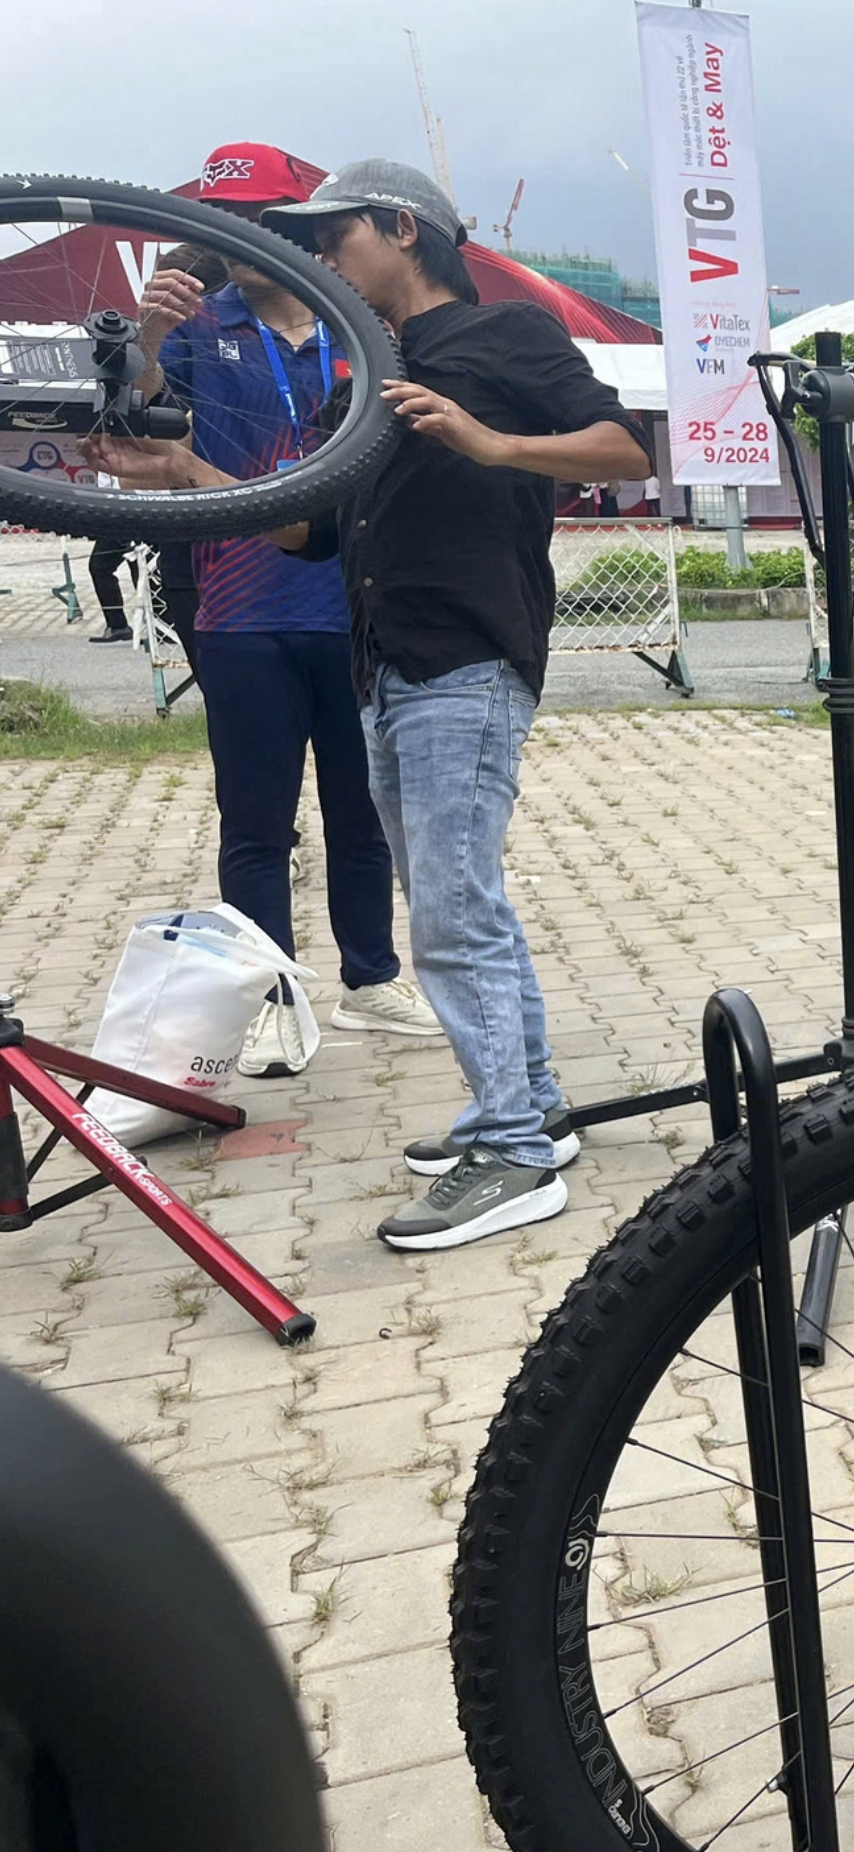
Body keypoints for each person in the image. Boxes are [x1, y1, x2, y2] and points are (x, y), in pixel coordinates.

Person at [102, 159, 655, 1250]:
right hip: (383, 665)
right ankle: (530, 1105)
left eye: (333, 232)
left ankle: (512, 1153)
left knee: (449, 911)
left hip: (467, 654)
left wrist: (491, 443)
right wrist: (179, 475)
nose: (313, 251)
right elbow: (306, 526)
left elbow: (627, 452)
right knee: (454, 897)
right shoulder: (366, 370)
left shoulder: (506, 341)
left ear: (401, 228)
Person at [124, 145, 440, 1079]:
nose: (248, 236)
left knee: (363, 809)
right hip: (236, 606)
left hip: (353, 602)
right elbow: (149, 419)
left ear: (303, 224)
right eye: (227, 219)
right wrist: (142, 345)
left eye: (269, 216)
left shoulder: (363, 324)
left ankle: (373, 977)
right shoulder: (196, 323)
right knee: (257, 819)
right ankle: (267, 994)